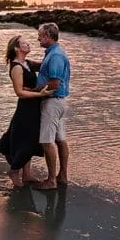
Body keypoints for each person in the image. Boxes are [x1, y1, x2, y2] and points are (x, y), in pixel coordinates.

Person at [0, 35, 54, 189]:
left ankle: (26, 174)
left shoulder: (27, 63)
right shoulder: (16, 67)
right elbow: (19, 92)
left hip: (34, 107)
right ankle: (14, 171)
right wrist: (39, 94)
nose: (28, 44)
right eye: (24, 43)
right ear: (16, 48)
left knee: (27, 139)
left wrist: (54, 53)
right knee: (28, 140)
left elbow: (44, 66)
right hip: (26, 109)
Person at [33, 22, 71, 190]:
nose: (38, 38)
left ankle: (51, 181)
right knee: (60, 140)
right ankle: (62, 176)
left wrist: (30, 90)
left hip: (52, 102)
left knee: (47, 142)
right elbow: (45, 70)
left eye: (40, 35)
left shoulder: (55, 56)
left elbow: (54, 83)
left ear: (48, 36)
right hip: (60, 102)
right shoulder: (53, 53)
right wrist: (25, 63)